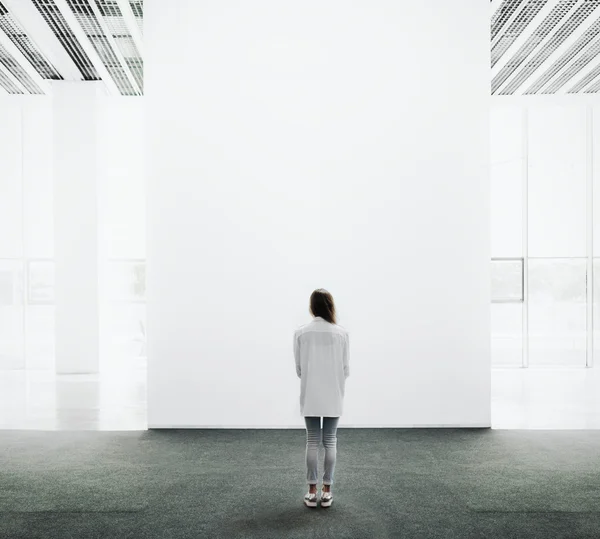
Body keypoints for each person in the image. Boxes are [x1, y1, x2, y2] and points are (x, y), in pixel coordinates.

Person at [294, 289, 350, 508]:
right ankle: (327, 490)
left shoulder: (301, 333)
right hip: (333, 393)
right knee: (330, 441)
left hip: (311, 393)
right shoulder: (341, 333)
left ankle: (311, 490)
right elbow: (346, 368)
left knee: (312, 441)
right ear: (330, 306)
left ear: (312, 307)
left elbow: (299, 369)